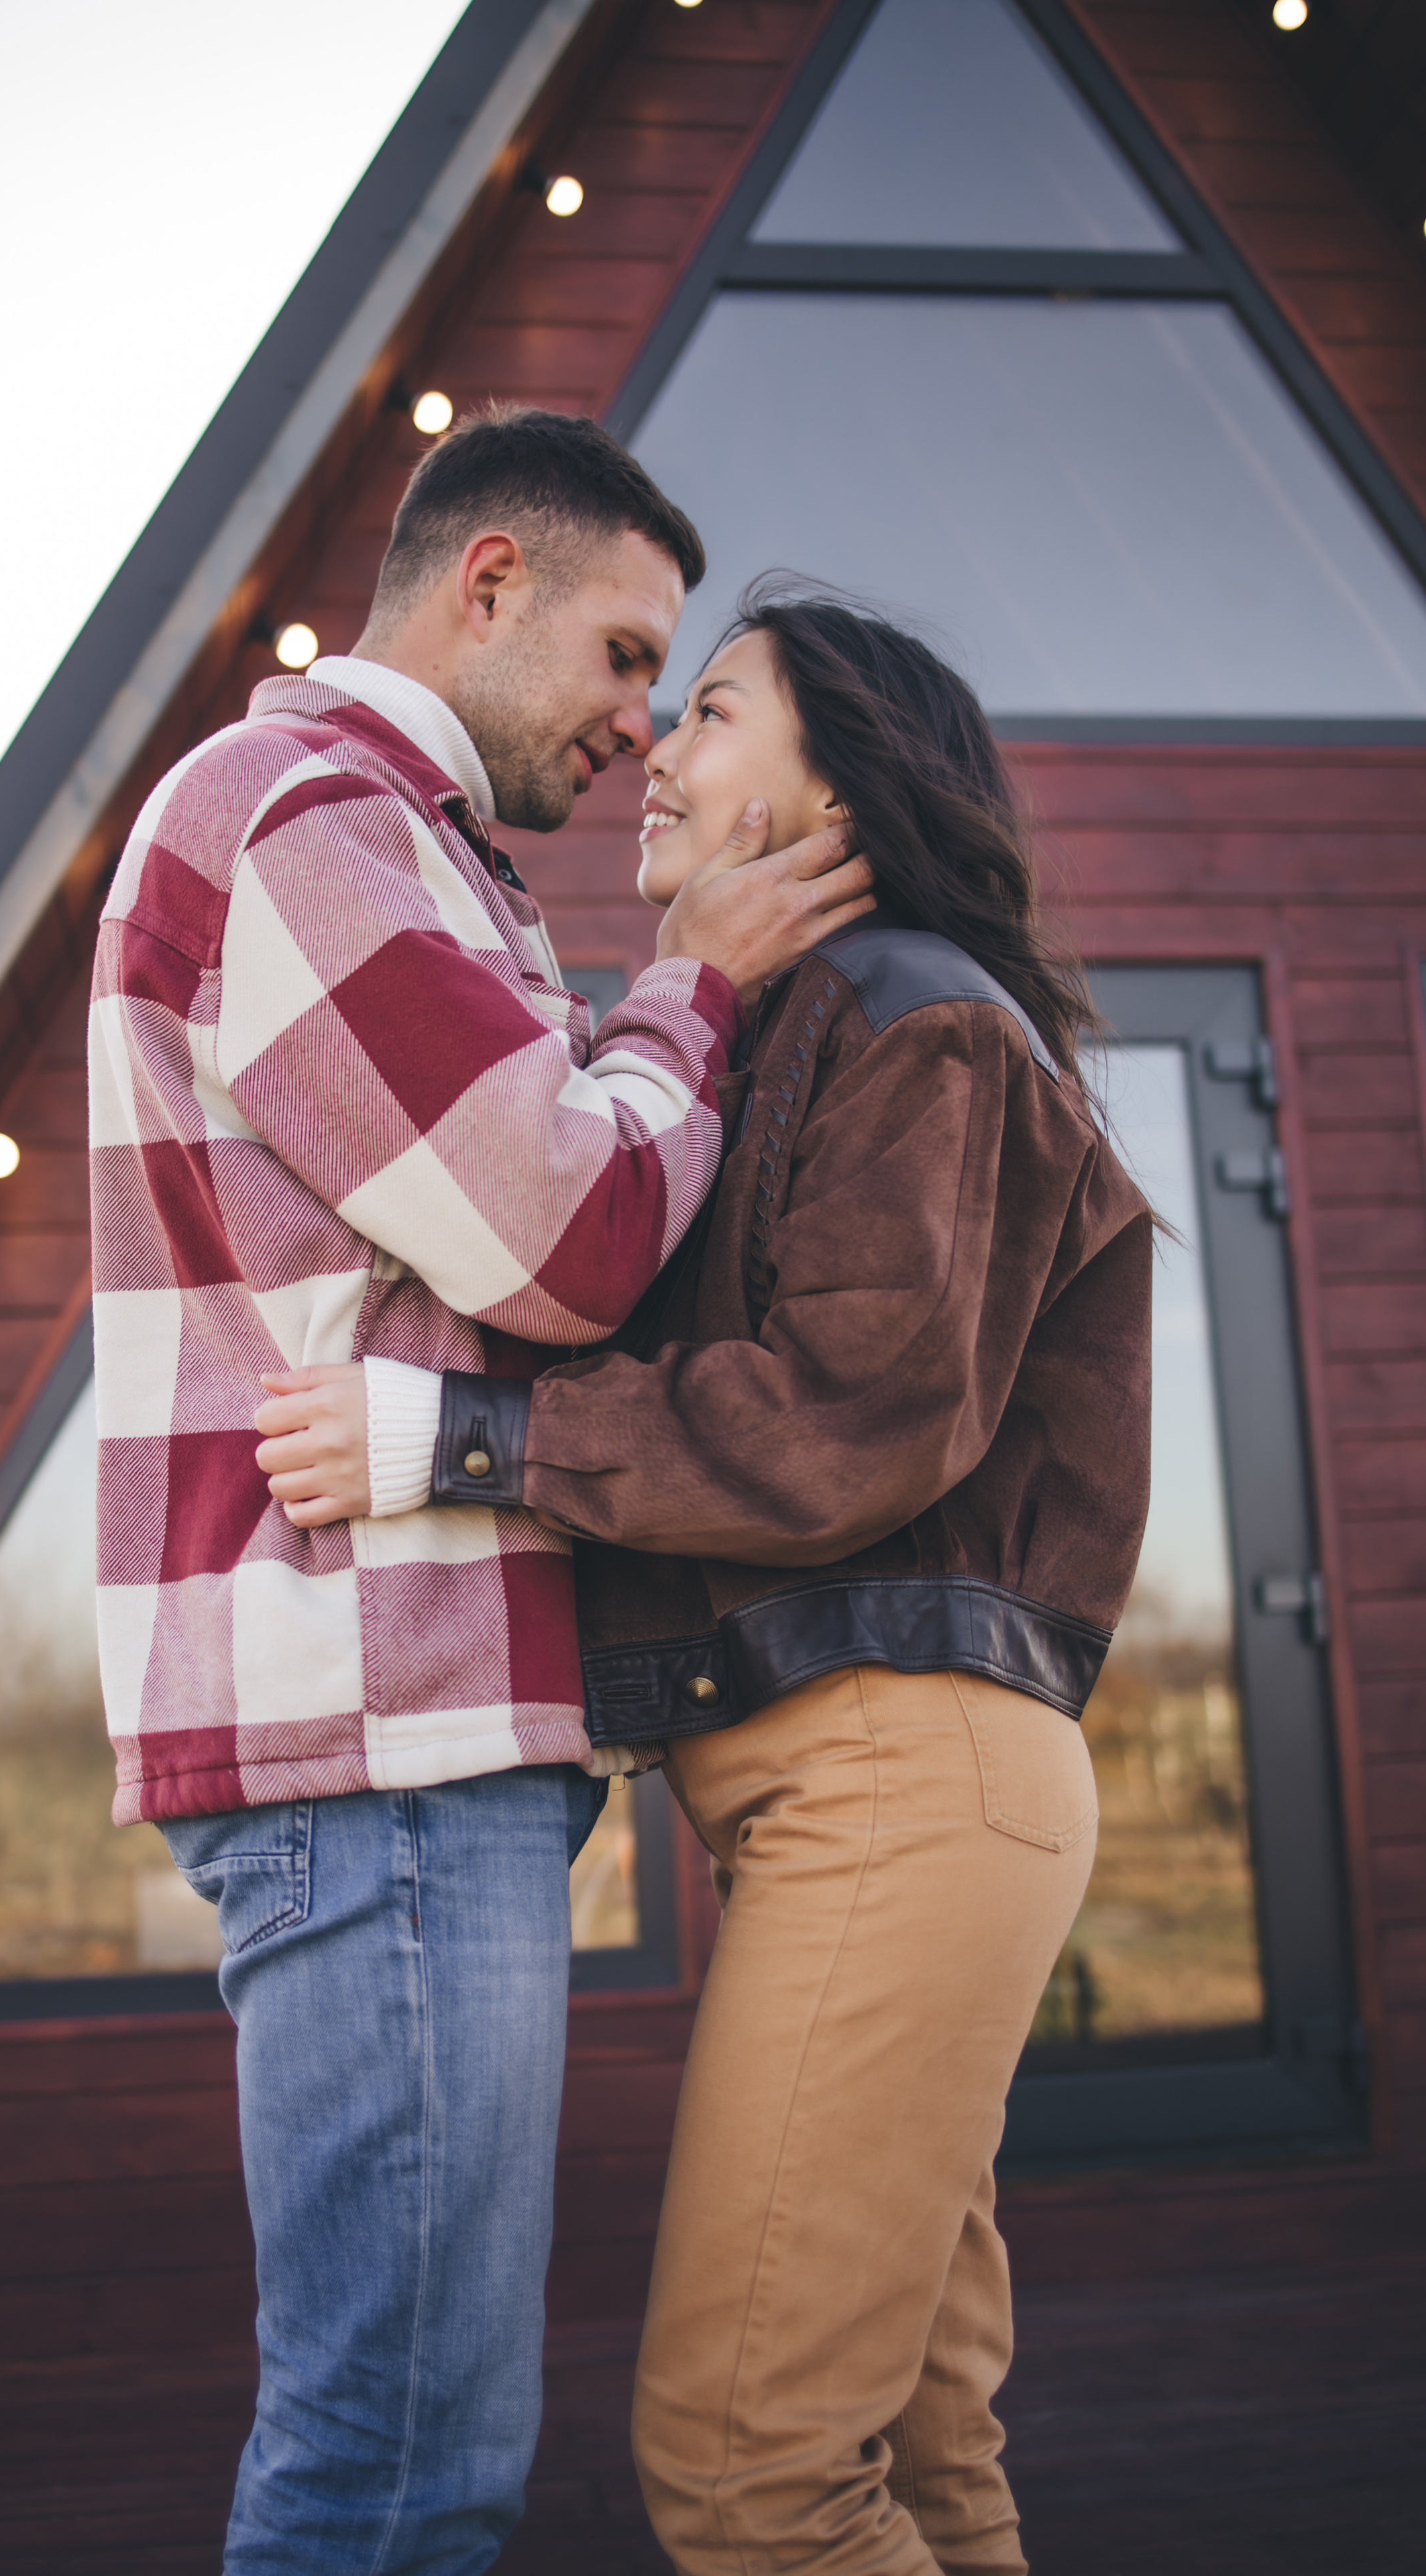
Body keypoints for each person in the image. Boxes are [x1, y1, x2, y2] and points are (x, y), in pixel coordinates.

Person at [261, 582, 1153, 2575]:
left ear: (839, 786)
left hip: (908, 1788)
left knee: (754, 2480)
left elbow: (857, 1404)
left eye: (714, 709)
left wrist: (464, 1447)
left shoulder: (916, 1016)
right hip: (860, 1797)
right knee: (919, 2470)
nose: (655, 746)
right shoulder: (795, 1037)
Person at [89, 425, 871, 2576]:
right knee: (399, 2475)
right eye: (629, 658)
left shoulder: (406, 850)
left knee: (404, 2455)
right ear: (490, 581)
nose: (643, 725)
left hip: (406, 1731)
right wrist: (696, 980)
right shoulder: (301, 820)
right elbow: (573, 1231)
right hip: (385, 1724)